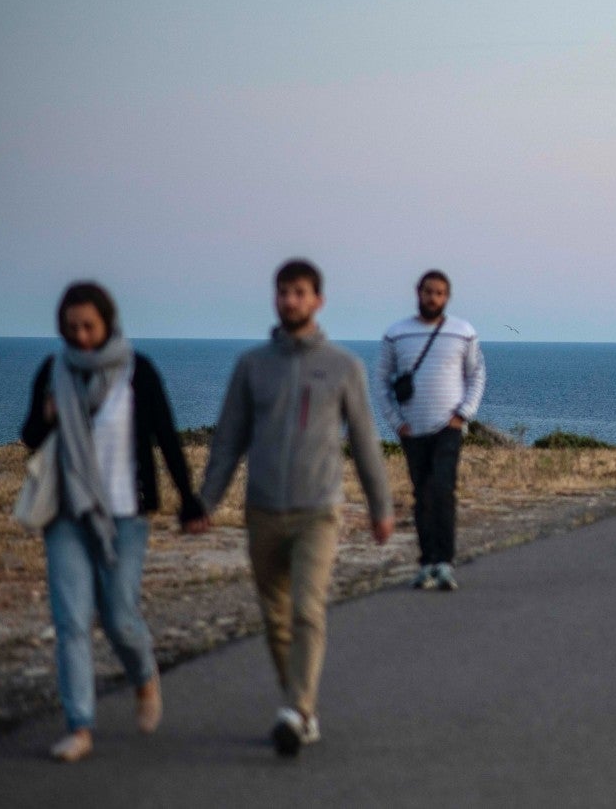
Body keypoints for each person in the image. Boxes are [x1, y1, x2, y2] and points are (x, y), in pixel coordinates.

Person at [195, 259, 395, 757]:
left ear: (318, 300)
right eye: (283, 292)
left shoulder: (344, 366)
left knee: (308, 609)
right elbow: (228, 440)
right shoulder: (251, 365)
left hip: (318, 511)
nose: (290, 300)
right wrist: (207, 501)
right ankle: (299, 707)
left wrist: (380, 506)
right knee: (276, 618)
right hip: (262, 510)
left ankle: (296, 710)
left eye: (300, 292)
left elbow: (366, 442)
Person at [20, 282, 206, 762]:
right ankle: (79, 726)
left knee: (120, 617)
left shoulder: (136, 371)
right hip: (66, 513)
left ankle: (144, 677)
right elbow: (29, 435)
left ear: (107, 323)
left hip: (125, 514)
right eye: (71, 327)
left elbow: (166, 436)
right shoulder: (52, 371)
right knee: (71, 622)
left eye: (89, 326)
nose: (80, 336)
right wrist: (48, 414)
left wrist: (189, 500)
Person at [378, 269, 486, 592]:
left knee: (442, 490)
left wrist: (463, 415)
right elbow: (381, 380)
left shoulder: (463, 332)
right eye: (428, 292)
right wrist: (397, 423)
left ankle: (444, 563)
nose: (433, 298)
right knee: (421, 495)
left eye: (439, 293)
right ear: (418, 293)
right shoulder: (396, 334)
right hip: (413, 431)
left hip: (448, 428)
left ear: (447, 297)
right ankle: (426, 563)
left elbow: (477, 375)